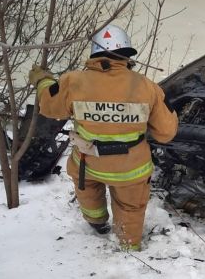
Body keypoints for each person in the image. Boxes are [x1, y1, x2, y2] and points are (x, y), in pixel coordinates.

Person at [28, 24, 178, 251]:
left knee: (89, 196)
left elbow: (49, 106)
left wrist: (43, 81)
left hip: (88, 163)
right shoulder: (147, 87)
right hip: (131, 169)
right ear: (127, 55)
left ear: (94, 54)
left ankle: (97, 224)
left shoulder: (73, 82)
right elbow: (166, 133)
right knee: (130, 208)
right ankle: (129, 248)